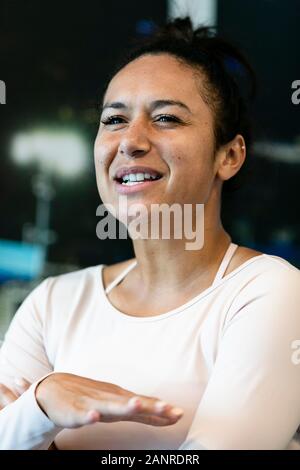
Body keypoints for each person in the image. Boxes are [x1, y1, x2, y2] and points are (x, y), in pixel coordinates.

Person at [0, 16, 300, 450]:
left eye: (165, 118)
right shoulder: (52, 303)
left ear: (229, 155)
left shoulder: (269, 292)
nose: (131, 141)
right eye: (114, 119)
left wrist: (39, 434)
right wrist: (42, 405)